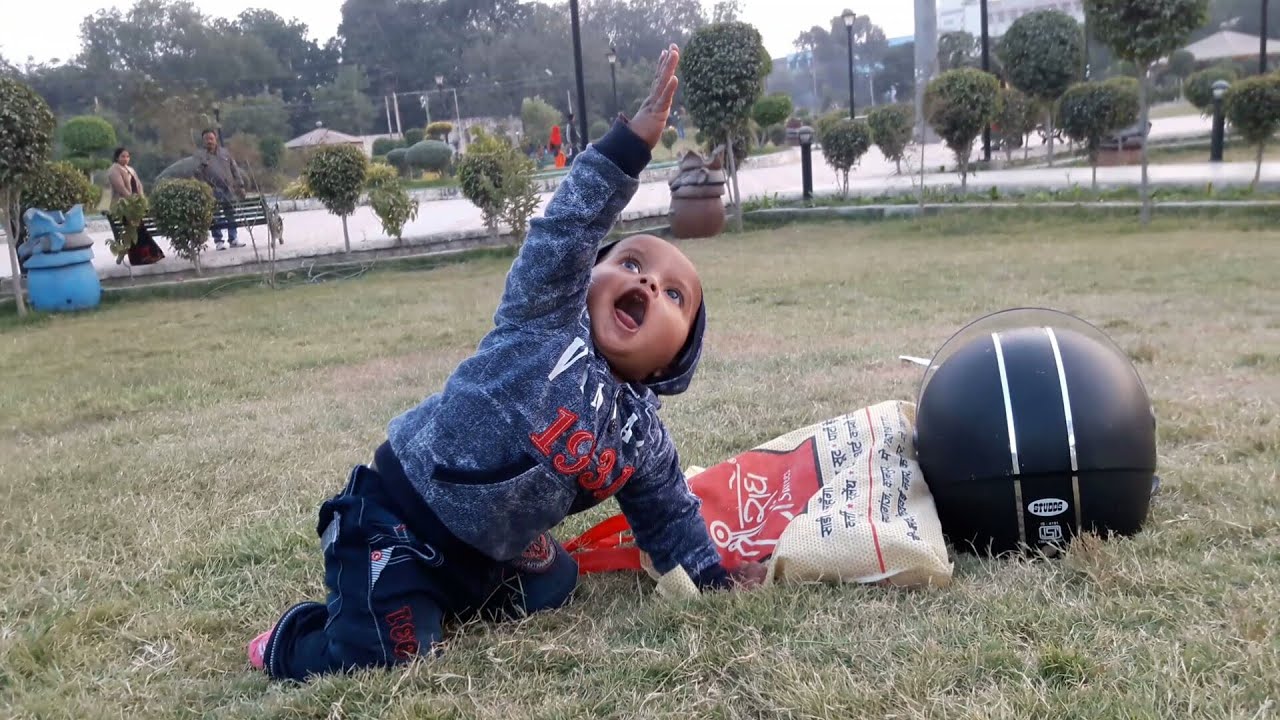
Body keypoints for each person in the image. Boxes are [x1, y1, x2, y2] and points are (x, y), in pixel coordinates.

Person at [246, 44, 765, 683]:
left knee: (557, 583)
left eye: (674, 295)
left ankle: (463, 585)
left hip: (490, 551)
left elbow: (668, 514)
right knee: (389, 656)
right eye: (630, 263)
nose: (649, 284)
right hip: (398, 519)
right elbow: (566, 231)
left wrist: (712, 577)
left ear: (674, 359)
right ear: (585, 277)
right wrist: (628, 148)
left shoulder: (642, 440)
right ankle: (294, 639)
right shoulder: (543, 318)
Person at [106, 147, 166, 266]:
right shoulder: (114, 170)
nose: (126, 159)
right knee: (136, 230)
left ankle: (149, 255)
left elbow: (138, 185)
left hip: (135, 207)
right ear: (117, 157)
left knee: (138, 230)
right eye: (123, 156)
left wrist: (141, 200)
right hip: (123, 206)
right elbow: (121, 188)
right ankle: (145, 256)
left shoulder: (130, 169)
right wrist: (132, 201)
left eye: (127, 156)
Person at [193, 129, 247, 251]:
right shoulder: (199, 156)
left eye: (211, 139)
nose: (209, 141)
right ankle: (219, 241)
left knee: (231, 214)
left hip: (228, 189)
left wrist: (240, 185)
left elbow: (234, 170)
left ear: (215, 139)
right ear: (203, 141)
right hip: (211, 191)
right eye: (206, 139)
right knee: (215, 217)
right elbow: (196, 175)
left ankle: (233, 239)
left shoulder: (225, 153)